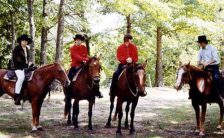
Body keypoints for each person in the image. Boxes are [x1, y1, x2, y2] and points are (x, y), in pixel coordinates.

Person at [67, 34, 103, 98]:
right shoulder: (72, 48)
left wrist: (88, 60)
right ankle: (68, 94)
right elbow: (77, 57)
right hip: (75, 65)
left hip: (84, 65)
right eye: (77, 40)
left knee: (94, 75)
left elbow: (86, 56)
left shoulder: (84, 47)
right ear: (75, 41)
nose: (78, 41)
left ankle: (97, 91)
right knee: (69, 77)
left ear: (81, 41)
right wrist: (84, 59)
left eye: (80, 40)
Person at [188, 35, 220, 99]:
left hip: (214, 67)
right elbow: (199, 60)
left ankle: (218, 94)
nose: (199, 44)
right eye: (199, 42)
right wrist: (198, 66)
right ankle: (194, 94)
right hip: (205, 68)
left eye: (200, 42)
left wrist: (206, 63)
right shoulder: (200, 50)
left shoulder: (212, 48)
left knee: (216, 79)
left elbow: (215, 59)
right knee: (196, 78)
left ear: (204, 42)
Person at [13, 34, 32, 105]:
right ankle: (17, 95)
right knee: (21, 78)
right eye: (23, 40)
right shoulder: (17, 49)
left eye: (26, 41)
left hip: (26, 67)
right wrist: (26, 65)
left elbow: (27, 59)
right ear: (21, 41)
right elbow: (17, 60)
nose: (24, 42)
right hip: (18, 68)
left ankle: (28, 94)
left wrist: (30, 64)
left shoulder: (27, 49)